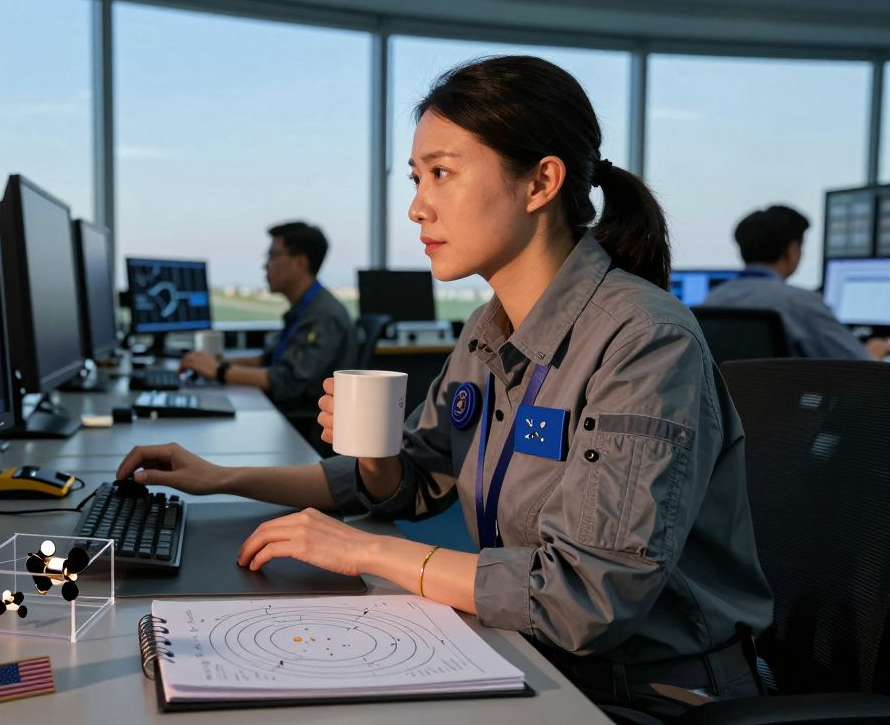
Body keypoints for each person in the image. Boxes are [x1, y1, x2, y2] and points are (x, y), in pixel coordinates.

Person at [117, 56, 773, 721]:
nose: (416, 205)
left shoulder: (643, 341)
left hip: (650, 696)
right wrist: (224, 478)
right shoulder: (491, 331)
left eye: (442, 173)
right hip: (533, 654)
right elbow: (409, 479)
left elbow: (585, 600)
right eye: (415, 177)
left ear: (541, 181)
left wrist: (366, 549)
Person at [179, 221, 357, 410]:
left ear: (300, 263)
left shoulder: (324, 315)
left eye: (273, 256)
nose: (265, 265)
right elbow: (269, 360)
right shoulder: (305, 309)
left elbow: (288, 380)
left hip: (302, 422)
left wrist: (218, 370)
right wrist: (218, 361)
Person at [702, 205, 890, 360]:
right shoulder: (801, 303)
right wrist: (873, 353)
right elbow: (856, 366)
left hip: (730, 405)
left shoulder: (712, 299)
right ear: (792, 250)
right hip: (784, 403)